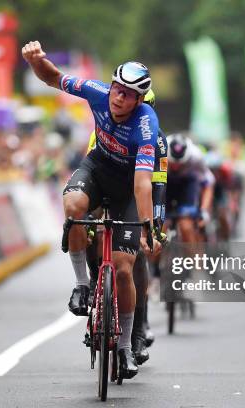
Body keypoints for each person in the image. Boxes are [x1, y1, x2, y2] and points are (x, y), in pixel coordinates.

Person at [22, 40, 161, 379]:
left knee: (125, 269)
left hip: (129, 184)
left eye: (128, 94)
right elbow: (53, 78)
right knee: (73, 207)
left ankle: (127, 347)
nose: (119, 97)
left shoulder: (146, 125)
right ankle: (82, 284)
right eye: (117, 89)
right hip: (97, 169)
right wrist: (35, 60)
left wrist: (147, 226)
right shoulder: (97, 92)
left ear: (140, 99)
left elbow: (143, 184)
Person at [84, 89, 166, 365]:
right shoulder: (102, 130)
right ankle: (94, 281)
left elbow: (158, 186)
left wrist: (155, 224)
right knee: (89, 227)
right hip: (109, 187)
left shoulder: (157, 141)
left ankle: (139, 330)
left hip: (137, 194)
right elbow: (91, 172)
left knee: (136, 258)